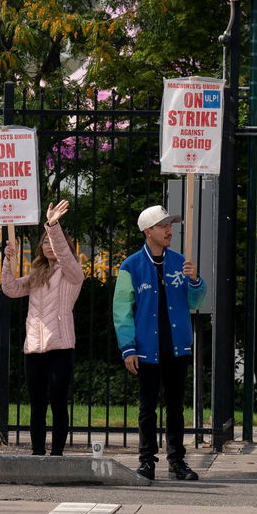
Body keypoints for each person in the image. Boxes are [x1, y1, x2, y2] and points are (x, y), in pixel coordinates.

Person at [112, 204, 205, 481]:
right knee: (147, 407)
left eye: (170, 225)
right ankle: (146, 461)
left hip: (177, 346)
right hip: (146, 349)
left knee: (176, 406)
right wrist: (128, 347)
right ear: (147, 231)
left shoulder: (181, 262)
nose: (169, 230)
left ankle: (177, 461)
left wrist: (196, 280)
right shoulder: (131, 265)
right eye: (163, 225)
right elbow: (122, 310)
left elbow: (196, 302)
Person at [2, 198, 82, 456]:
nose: (49, 246)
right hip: (34, 348)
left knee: (58, 404)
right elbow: (11, 289)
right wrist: (8, 260)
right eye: (45, 242)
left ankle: (57, 454)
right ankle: (37, 453)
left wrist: (52, 225)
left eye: (52, 243)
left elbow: (64, 255)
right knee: (37, 405)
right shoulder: (36, 273)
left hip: (60, 346)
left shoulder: (72, 272)